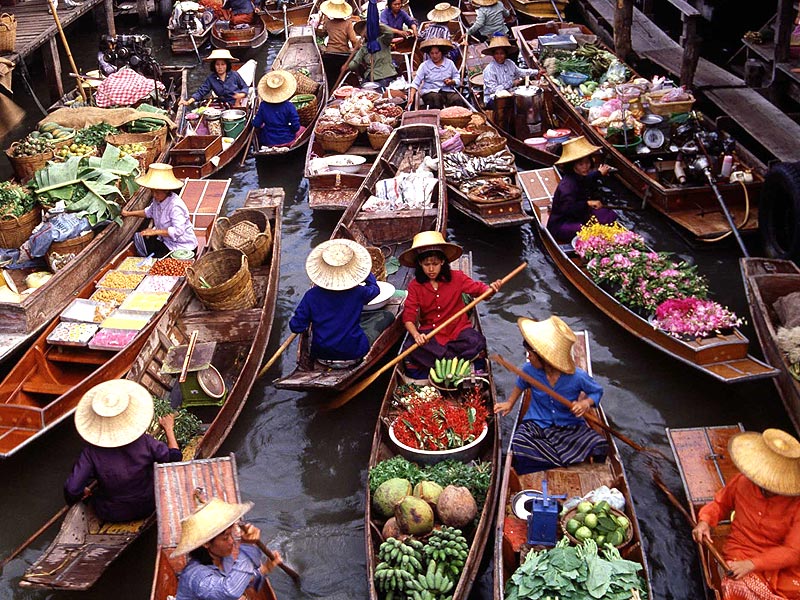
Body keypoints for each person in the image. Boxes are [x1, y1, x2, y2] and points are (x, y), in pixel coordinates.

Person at [691, 428, 800, 600]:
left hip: (782, 564)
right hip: (742, 552)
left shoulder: (797, 504)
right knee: (738, 587)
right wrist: (705, 521)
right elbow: (720, 503)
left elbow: (793, 551)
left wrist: (754, 564)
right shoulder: (743, 481)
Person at [494, 316, 608, 475]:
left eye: (531, 354)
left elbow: (597, 391)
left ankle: (547, 461)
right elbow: (521, 384)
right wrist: (509, 403)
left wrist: (585, 404)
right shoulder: (529, 370)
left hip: (569, 427)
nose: (528, 357)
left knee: (599, 445)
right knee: (519, 443)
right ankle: (566, 460)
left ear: (545, 358)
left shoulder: (577, 377)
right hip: (537, 424)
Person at [63, 379, 182, 522]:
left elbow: (72, 489)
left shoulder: (91, 453)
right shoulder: (145, 442)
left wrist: (82, 491)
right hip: (149, 505)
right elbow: (174, 459)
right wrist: (169, 429)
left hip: (112, 513)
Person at [399, 231, 502, 377]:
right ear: (420, 264)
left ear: (442, 262)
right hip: (432, 331)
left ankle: (442, 363)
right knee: (410, 348)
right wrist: (416, 335)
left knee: (476, 341)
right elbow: (409, 316)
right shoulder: (415, 286)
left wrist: (491, 290)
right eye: (426, 264)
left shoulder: (457, 277)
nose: (431, 269)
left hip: (458, 328)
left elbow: (480, 291)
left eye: (435, 264)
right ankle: (455, 362)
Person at [289, 239, 394, 365]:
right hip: (353, 353)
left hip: (321, 356)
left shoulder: (311, 296)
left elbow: (296, 326)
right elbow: (375, 289)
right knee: (387, 316)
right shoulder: (358, 292)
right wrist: (365, 274)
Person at [173, 497, 283, 600]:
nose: (232, 541)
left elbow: (239, 581)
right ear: (206, 544)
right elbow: (229, 590)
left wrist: (265, 569)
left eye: (231, 535)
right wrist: (248, 546)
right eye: (225, 538)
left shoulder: (224, 558)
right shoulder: (197, 577)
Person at [546, 136, 618, 243]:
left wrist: (599, 173)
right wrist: (588, 203)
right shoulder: (567, 186)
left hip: (581, 214)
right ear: (572, 166)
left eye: (587, 163)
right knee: (587, 231)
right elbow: (569, 209)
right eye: (581, 164)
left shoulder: (579, 176)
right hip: (563, 223)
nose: (586, 167)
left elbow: (588, 178)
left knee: (609, 215)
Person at [122, 163, 198, 258]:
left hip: (183, 247)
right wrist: (128, 214)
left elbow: (178, 231)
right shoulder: (157, 200)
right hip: (166, 241)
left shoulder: (175, 206)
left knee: (156, 260)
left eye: (157, 192)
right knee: (139, 238)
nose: (154, 195)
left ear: (166, 190)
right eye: (152, 191)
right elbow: (148, 212)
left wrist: (155, 232)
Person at [179, 49, 249, 108]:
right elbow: (201, 92)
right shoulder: (211, 78)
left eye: (223, 64)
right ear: (214, 66)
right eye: (217, 64)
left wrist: (240, 95)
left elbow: (245, 87)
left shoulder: (234, 75)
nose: (220, 67)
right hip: (223, 105)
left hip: (237, 102)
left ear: (227, 65)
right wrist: (188, 102)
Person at [252, 70, 304, 149]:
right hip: (287, 139)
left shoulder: (263, 106)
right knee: (302, 129)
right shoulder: (289, 106)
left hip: (268, 140)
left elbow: (256, 124)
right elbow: (296, 127)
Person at [481, 35, 536, 107]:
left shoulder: (509, 63)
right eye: (496, 53)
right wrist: (511, 83)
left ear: (506, 54)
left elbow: (520, 72)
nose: (499, 56)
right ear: (493, 55)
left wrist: (536, 72)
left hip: (510, 93)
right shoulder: (489, 70)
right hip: (494, 98)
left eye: (502, 53)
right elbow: (493, 90)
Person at [407, 38, 463, 109]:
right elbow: (415, 83)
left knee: (457, 99)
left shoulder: (450, 63)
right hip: (430, 92)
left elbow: (457, 77)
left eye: (437, 53)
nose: (434, 56)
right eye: (432, 53)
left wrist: (452, 82)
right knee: (435, 99)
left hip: (447, 90)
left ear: (441, 53)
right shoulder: (424, 65)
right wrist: (411, 97)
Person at [316, 0, 360, 87]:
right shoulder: (348, 24)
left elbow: (322, 33)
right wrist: (358, 50)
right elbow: (353, 40)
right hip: (343, 54)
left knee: (331, 79)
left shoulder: (328, 23)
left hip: (329, 54)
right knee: (343, 79)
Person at [348, 21, 399, 91]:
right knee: (361, 92)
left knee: (380, 92)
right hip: (370, 77)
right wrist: (348, 66)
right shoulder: (364, 47)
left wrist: (376, 23)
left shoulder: (383, 41)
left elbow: (389, 32)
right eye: (366, 31)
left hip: (385, 76)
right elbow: (355, 63)